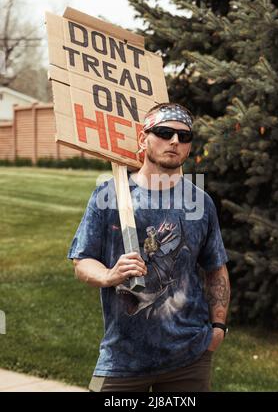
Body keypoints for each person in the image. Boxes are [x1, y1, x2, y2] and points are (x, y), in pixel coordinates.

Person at [67, 102, 230, 392]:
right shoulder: (109, 196)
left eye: (184, 136)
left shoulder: (201, 203)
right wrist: (109, 275)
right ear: (143, 139)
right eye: (164, 132)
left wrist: (217, 329)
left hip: (189, 358)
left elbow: (216, 268)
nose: (175, 141)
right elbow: (82, 261)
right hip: (123, 358)